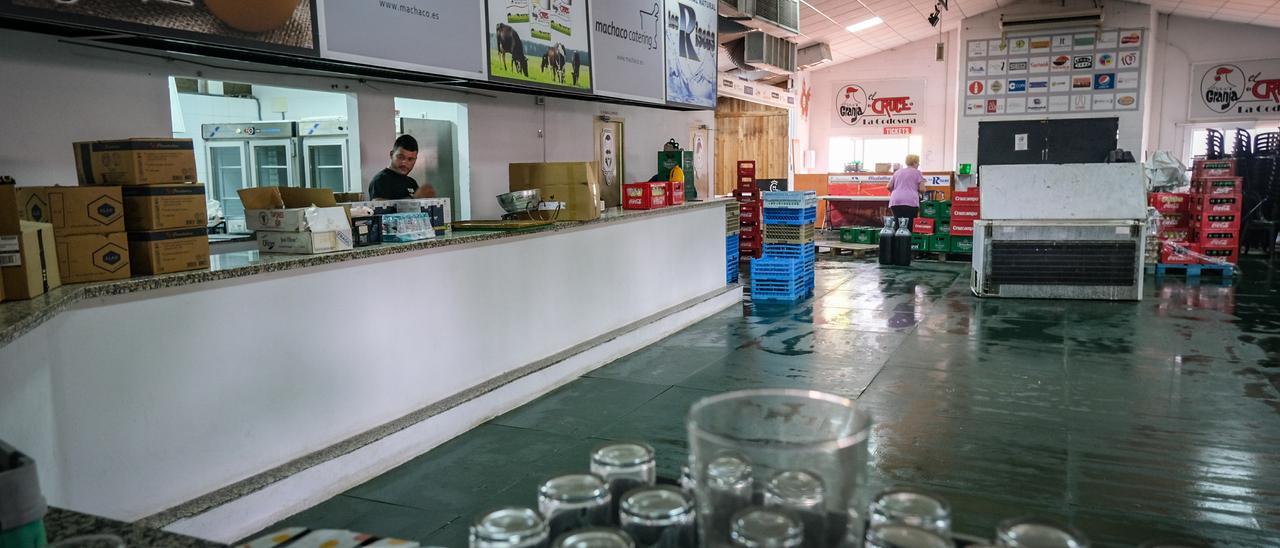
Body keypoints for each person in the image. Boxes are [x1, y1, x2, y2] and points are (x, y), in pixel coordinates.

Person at [368, 135, 436, 200]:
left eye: (410, 159)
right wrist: (415, 199)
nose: (404, 162)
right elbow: (378, 207)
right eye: (400, 157)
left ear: (415, 160)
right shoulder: (381, 180)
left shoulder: (412, 182)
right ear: (391, 155)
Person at [886, 154, 926, 231]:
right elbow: (922, 189)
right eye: (918, 162)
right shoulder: (917, 172)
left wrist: (896, 192)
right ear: (914, 163)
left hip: (895, 201)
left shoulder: (898, 172)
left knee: (898, 224)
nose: (918, 164)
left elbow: (888, 186)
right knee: (909, 225)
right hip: (910, 201)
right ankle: (906, 242)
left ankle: (896, 242)